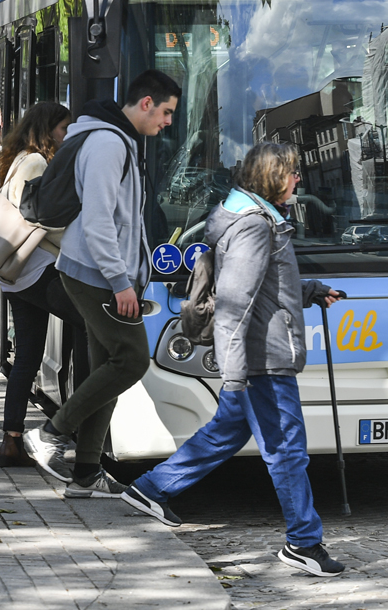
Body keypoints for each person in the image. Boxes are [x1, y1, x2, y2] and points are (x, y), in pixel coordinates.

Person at [121, 142, 346, 578]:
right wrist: (235, 371)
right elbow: (235, 302)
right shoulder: (255, 227)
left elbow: (260, 288)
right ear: (271, 177)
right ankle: (303, 542)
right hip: (261, 358)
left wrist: (309, 289)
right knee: (287, 451)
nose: (298, 180)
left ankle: (150, 489)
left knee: (224, 434)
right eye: (292, 173)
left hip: (257, 355)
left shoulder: (249, 218)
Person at [23, 69, 179, 497]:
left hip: (92, 270)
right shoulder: (110, 143)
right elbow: (96, 222)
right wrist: (120, 281)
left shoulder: (112, 139)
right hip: (96, 274)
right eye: (165, 112)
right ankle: (51, 433)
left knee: (104, 366)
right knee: (131, 361)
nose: (167, 122)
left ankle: (86, 471)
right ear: (145, 103)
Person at [0, 101, 91, 469]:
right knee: (88, 321)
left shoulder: (19, 158)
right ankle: (76, 420)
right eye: (63, 128)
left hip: (19, 274)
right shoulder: (35, 162)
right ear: (48, 129)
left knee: (29, 355)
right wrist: (75, 238)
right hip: (37, 268)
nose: (67, 136)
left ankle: (11, 440)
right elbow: (35, 214)